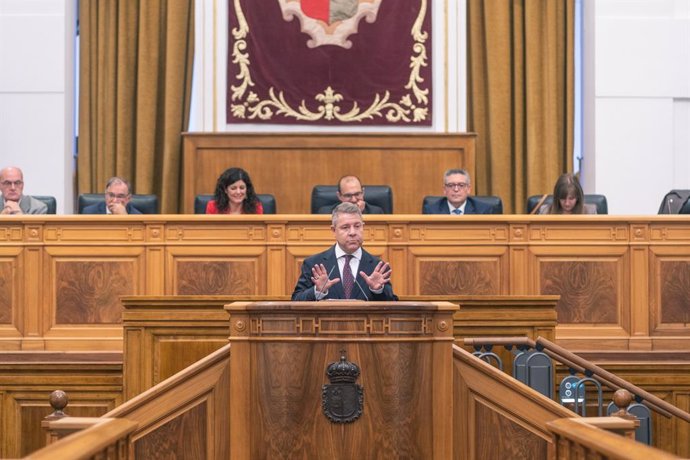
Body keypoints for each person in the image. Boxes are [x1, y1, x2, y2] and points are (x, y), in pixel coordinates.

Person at [292, 202, 397, 301]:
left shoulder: (377, 266)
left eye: (357, 226)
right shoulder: (314, 264)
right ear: (334, 230)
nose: (352, 232)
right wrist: (317, 291)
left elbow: (393, 304)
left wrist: (377, 290)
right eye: (345, 227)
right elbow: (296, 300)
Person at [423, 168, 493, 215]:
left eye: (461, 185)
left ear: (468, 189)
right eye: (451, 185)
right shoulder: (431, 211)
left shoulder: (483, 211)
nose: (456, 189)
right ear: (444, 190)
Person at [318, 175, 384, 214]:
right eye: (348, 195)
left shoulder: (376, 212)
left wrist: (359, 213)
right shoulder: (325, 213)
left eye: (357, 194)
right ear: (339, 196)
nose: (354, 200)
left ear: (363, 192)